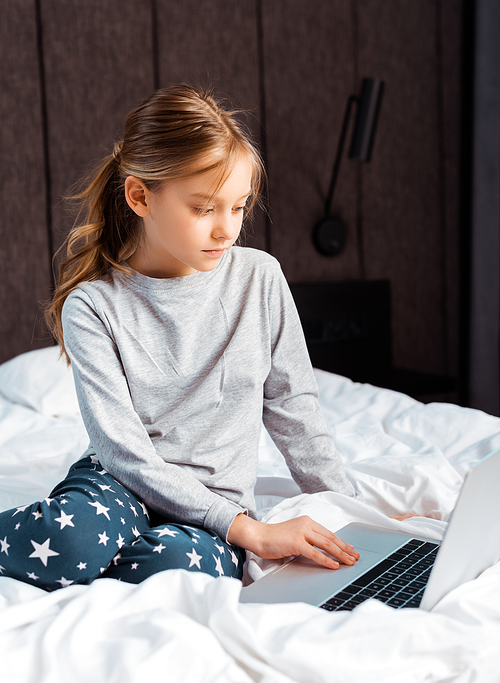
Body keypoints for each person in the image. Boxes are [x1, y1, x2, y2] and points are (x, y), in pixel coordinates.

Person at [0, 86, 359, 591]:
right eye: (204, 209)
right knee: (72, 541)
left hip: (215, 502)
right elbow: (124, 453)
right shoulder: (94, 306)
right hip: (119, 484)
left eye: (239, 208)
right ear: (140, 196)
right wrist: (249, 531)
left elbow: (293, 407)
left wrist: (355, 514)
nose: (226, 230)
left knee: (172, 571)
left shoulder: (260, 279)